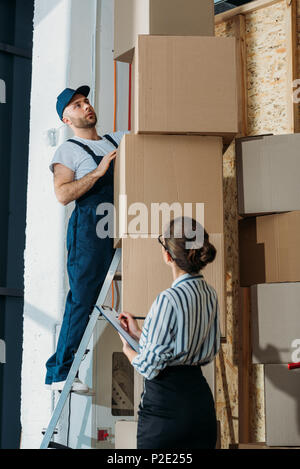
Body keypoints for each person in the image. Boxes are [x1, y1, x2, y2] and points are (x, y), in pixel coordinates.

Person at [45, 85, 127, 392]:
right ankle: (60, 372)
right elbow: (62, 194)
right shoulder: (68, 151)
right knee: (82, 299)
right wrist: (98, 171)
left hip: (119, 224)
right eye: (77, 105)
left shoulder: (118, 139)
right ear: (67, 119)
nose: (86, 106)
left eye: (86, 101)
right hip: (88, 230)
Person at [118, 217, 221, 449]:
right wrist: (137, 335)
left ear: (168, 255)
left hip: (166, 411)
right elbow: (206, 349)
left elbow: (149, 367)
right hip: (200, 404)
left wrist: (128, 350)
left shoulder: (168, 299)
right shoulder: (210, 294)